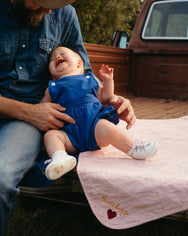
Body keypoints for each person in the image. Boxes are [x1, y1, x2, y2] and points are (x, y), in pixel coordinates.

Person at [0, 0, 136, 234]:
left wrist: (112, 99)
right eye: (42, 2)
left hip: (28, 122)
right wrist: (28, 111)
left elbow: (80, 74)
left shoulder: (65, 15)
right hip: (28, 113)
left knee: (1, 176)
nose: (51, 10)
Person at [41, 46, 158, 180]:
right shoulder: (52, 87)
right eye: (52, 59)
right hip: (69, 134)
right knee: (51, 136)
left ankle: (134, 148)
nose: (57, 57)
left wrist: (108, 80)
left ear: (79, 63)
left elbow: (106, 97)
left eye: (62, 54)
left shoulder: (89, 79)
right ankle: (60, 157)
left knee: (108, 128)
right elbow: (43, 108)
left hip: (94, 127)